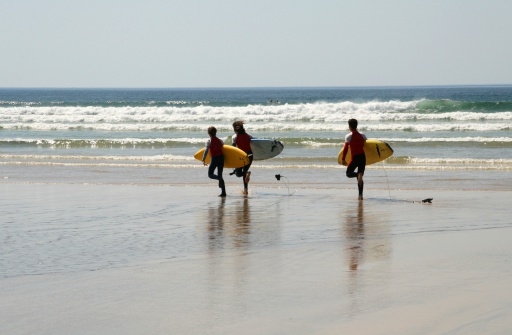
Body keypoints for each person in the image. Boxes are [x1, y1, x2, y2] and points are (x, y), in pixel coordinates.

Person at [341, 119, 367, 200]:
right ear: (356, 125)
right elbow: (368, 147)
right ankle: (360, 195)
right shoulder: (363, 135)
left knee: (348, 173)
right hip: (362, 157)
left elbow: (345, 148)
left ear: (349, 126)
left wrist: (343, 159)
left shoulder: (349, 136)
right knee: (360, 176)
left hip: (355, 158)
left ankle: (357, 175)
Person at [202, 126, 226, 197]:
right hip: (221, 158)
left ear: (209, 133)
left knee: (210, 174)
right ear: (216, 132)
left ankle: (219, 178)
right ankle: (223, 192)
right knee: (220, 175)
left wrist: (203, 159)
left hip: (214, 158)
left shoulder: (209, 141)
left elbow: (206, 150)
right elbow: (224, 149)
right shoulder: (220, 140)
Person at [230, 120, 253, 194]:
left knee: (238, 174)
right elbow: (255, 142)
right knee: (245, 171)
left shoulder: (234, 137)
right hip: (250, 155)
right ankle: (246, 190)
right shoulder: (248, 135)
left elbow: (233, 149)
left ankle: (246, 176)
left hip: (241, 156)